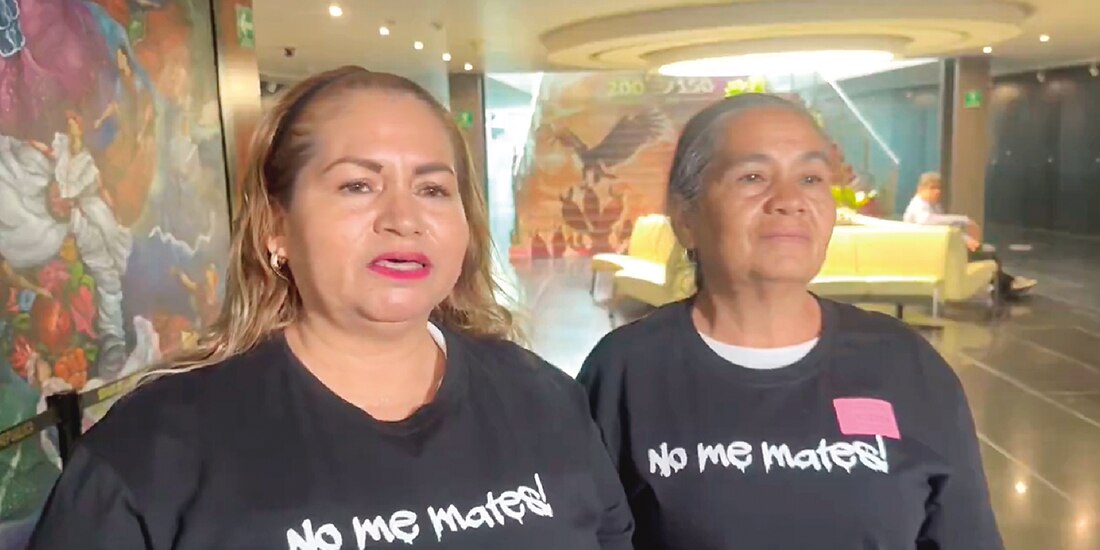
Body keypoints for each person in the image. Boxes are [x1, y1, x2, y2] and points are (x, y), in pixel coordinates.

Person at [28, 66, 633, 550]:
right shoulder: (154, 451)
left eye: (432, 189)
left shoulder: (546, 400)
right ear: (276, 226)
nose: (403, 219)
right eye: (357, 185)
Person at [578, 94, 1003, 549]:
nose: (790, 200)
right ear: (686, 219)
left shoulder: (905, 365)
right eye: (753, 177)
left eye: (810, 178)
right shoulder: (626, 371)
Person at [904, 172, 1036, 297]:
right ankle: (1007, 285)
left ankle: (1005, 284)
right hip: (934, 254)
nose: (937, 192)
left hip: (943, 249)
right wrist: (963, 220)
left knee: (987, 253)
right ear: (920, 189)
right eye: (932, 188)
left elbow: (949, 230)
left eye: (938, 188)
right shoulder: (918, 206)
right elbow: (928, 221)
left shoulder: (933, 206)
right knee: (987, 255)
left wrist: (966, 240)